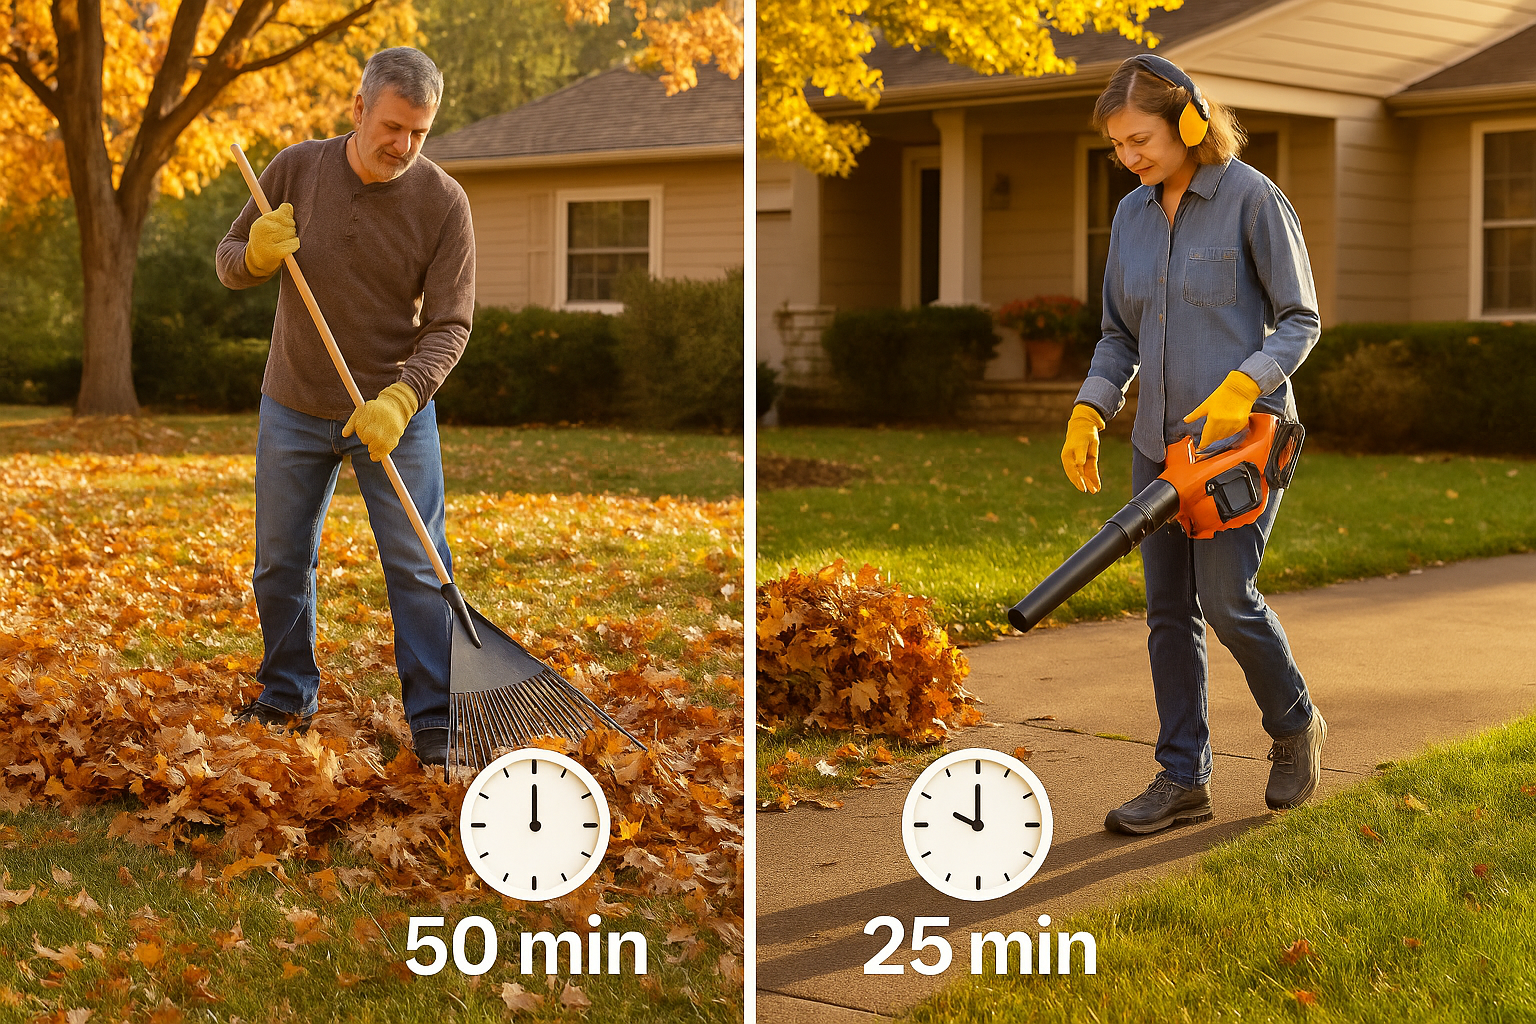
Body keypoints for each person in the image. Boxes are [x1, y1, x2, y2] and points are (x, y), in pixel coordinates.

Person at [1060, 54, 1325, 834]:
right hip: (1158, 445)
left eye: (1139, 140)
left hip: (1241, 443)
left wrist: (1246, 383)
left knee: (1226, 600)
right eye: (1117, 145)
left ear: (1187, 122)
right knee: (1168, 611)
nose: (1128, 157)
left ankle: (1295, 724)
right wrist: (1089, 408)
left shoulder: (1253, 200)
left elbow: (1301, 320)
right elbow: (1119, 333)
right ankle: (1183, 777)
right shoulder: (1131, 215)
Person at [215, 47, 475, 766]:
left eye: (419, 132)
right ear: (359, 108)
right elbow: (229, 257)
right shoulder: (295, 169)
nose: (404, 145)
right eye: (393, 126)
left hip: (391, 411)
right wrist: (255, 257)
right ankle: (285, 695)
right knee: (279, 562)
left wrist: (403, 396)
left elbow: (451, 324)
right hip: (294, 401)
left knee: (419, 567)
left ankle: (435, 721)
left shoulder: (443, 202)